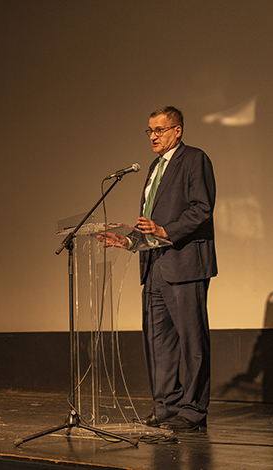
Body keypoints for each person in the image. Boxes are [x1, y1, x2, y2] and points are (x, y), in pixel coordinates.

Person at [102, 106, 217, 431]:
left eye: (160, 130)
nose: (153, 136)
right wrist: (129, 241)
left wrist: (165, 231)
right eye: (150, 131)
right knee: (158, 343)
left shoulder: (194, 159)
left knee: (192, 342)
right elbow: (150, 220)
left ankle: (193, 411)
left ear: (177, 130)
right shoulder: (154, 167)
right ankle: (166, 407)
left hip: (184, 264)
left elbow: (201, 209)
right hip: (153, 266)